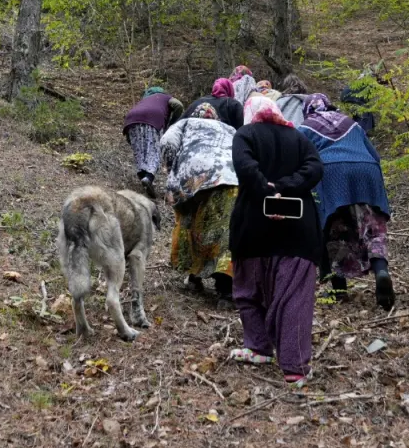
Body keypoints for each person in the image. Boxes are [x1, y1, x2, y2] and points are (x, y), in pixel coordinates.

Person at [228, 95, 325, 384]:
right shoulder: (298, 137)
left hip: (252, 226)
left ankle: (258, 347)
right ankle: (294, 367)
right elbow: (315, 168)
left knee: (248, 289)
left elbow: (245, 168)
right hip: (297, 229)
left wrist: (267, 191)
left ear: (250, 113)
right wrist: (287, 188)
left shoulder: (244, 134)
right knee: (294, 295)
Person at [296, 93, 395, 311]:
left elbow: (298, 162)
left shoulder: (304, 128)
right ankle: (381, 272)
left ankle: (339, 288)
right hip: (367, 171)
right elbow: (375, 156)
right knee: (373, 229)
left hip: (331, 174)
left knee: (333, 229)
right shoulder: (352, 123)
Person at [160, 103, 238, 300]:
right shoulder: (229, 129)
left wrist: (171, 167)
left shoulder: (186, 123)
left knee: (190, 223)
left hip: (194, 178)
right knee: (225, 232)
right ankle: (225, 288)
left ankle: (193, 276)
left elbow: (167, 142)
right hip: (230, 179)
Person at [122, 86, 184, 195]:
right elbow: (178, 105)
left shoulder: (144, 101)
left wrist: (130, 140)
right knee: (155, 151)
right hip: (153, 120)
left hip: (130, 121)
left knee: (139, 152)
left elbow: (131, 141)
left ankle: (143, 177)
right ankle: (148, 178)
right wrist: (172, 123)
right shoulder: (165, 97)